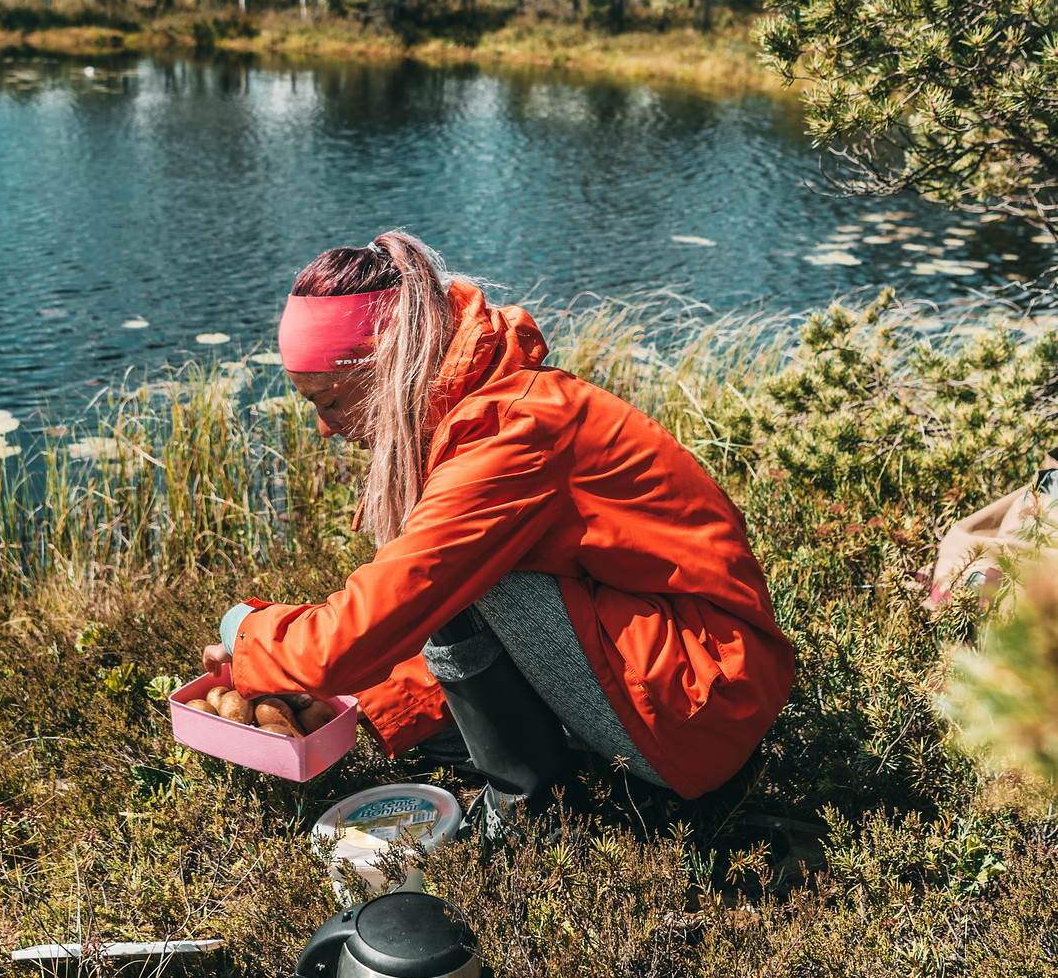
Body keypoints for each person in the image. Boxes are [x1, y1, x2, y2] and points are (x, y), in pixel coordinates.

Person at [202, 230, 794, 834]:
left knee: (468, 578)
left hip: (705, 706)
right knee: (452, 583)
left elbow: (361, 632)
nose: (326, 427)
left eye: (327, 400)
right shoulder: (489, 410)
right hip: (689, 676)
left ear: (385, 366)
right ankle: (545, 787)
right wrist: (369, 704)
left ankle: (530, 819)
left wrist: (245, 632)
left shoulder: (511, 434)